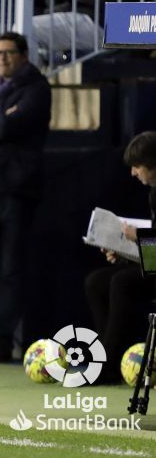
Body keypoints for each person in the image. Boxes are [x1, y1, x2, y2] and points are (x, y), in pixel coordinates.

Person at [0, 32, 51, 362]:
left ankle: (4, 339)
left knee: (9, 266)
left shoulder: (37, 87)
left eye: (8, 53)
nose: (1, 58)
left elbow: (3, 128)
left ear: (23, 56)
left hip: (18, 186)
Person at [86, 131, 156, 382]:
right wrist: (126, 253)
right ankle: (106, 358)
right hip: (153, 265)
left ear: (151, 164)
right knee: (96, 281)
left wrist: (139, 236)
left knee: (122, 282)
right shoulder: (153, 193)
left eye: (137, 167)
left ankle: (108, 364)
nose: (133, 173)